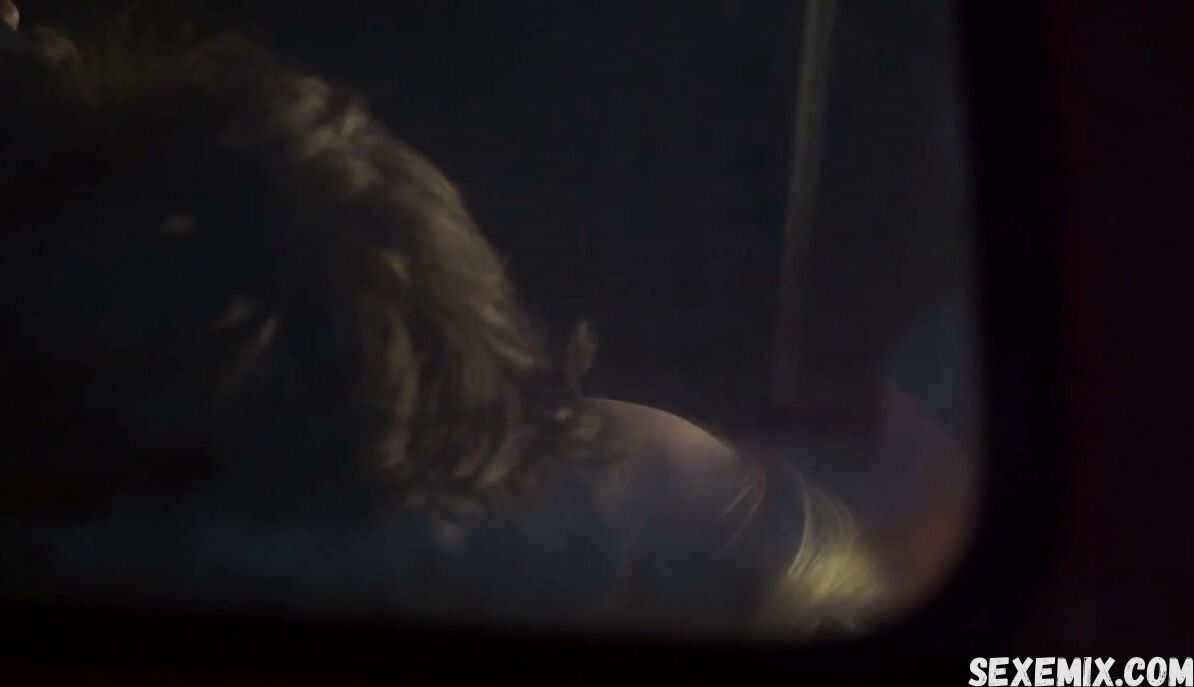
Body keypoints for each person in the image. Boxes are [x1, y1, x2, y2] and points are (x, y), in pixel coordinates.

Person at [0, 6, 974, 638]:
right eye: (752, 474)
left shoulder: (353, 357)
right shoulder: (405, 345)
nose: (695, 445)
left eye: (590, 483)